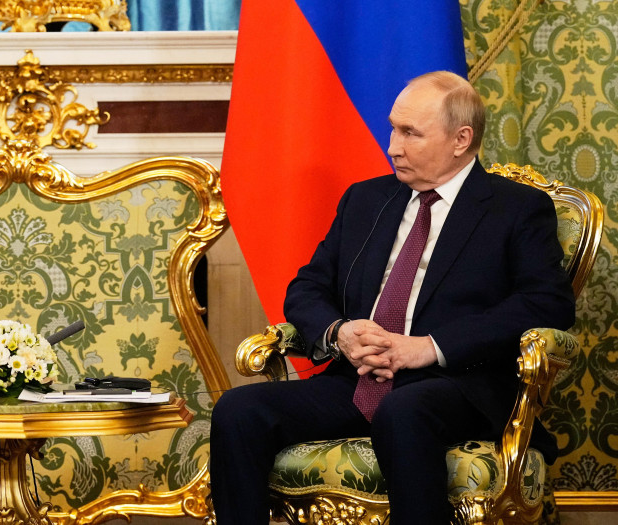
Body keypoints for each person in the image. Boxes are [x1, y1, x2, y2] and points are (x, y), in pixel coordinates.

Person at [210, 71, 575, 524]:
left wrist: (428, 347)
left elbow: (547, 302)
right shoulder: (366, 200)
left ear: (461, 139)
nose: (392, 147)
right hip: (358, 379)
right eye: (393, 129)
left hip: (455, 384)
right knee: (239, 410)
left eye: (410, 133)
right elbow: (307, 287)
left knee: (403, 411)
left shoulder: (515, 208)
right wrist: (340, 333)